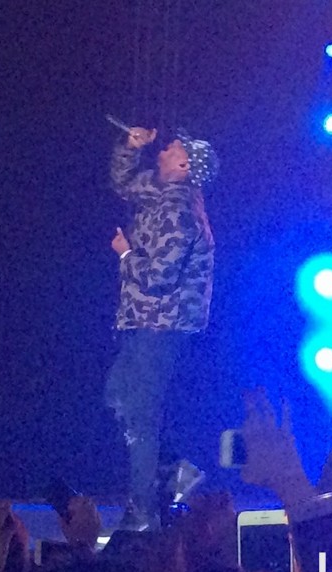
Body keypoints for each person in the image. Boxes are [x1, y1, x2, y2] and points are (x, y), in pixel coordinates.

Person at [105, 124, 218, 529]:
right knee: (117, 398)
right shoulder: (160, 194)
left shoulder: (180, 213)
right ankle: (173, 470)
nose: (166, 147)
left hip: (161, 325)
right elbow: (123, 183)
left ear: (185, 165)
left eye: (174, 147)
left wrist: (125, 254)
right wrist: (130, 146)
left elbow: (158, 277)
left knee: (141, 418)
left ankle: (142, 511)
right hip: (143, 320)